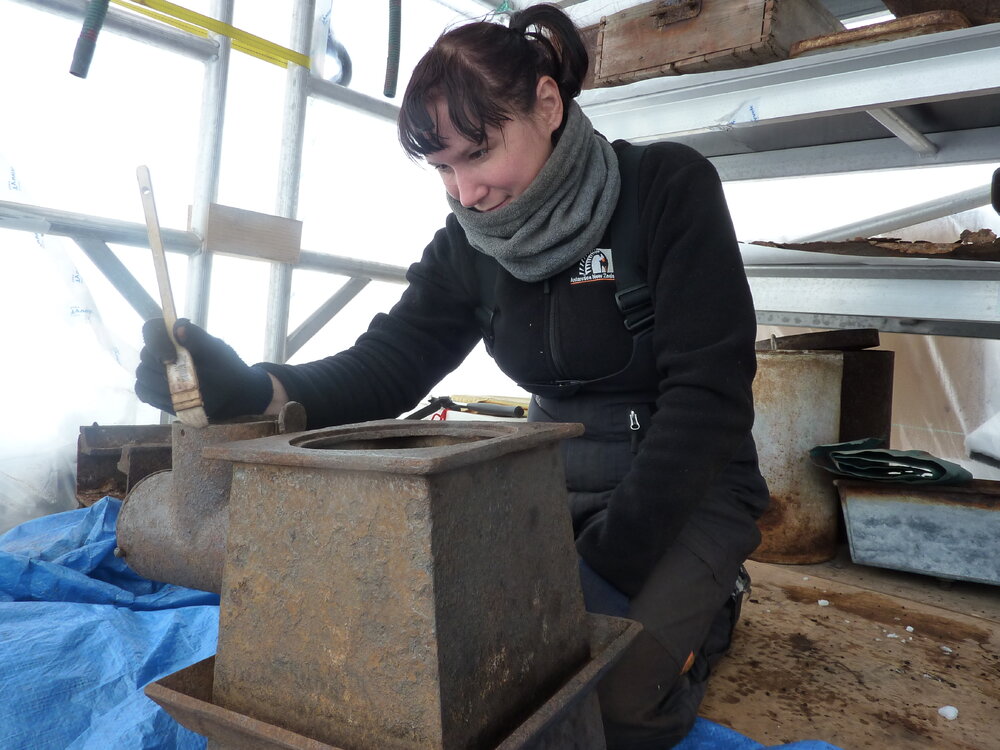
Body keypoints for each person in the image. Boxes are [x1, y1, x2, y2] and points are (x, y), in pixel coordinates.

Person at [136, 4, 769, 747]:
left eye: (478, 153)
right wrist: (256, 391)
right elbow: (389, 363)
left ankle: (715, 601)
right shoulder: (470, 243)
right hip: (549, 482)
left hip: (688, 489)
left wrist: (607, 568)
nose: (466, 192)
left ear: (547, 103)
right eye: (442, 168)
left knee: (602, 702)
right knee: (459, 669)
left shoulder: (667, 188)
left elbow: (709, 400)